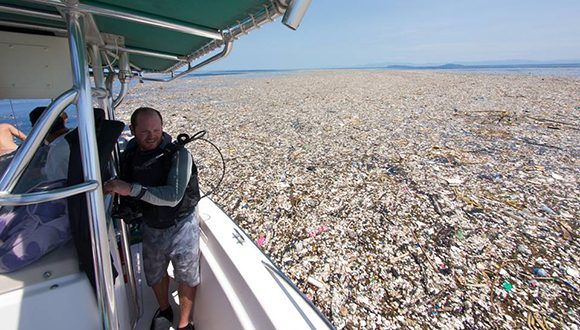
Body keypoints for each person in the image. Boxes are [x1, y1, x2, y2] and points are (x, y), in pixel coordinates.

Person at [104, 107, 201, 330]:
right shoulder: (131, 152)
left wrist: (130, 189)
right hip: (151, 223)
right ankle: (165, 309)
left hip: (181, 225)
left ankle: (184, 323)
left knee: (186, 275)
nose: (152, 136)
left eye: (156, 130)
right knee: (154, 273)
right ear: (133, 130)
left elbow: (173, 196)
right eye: (145, 131)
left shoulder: (179, 155)